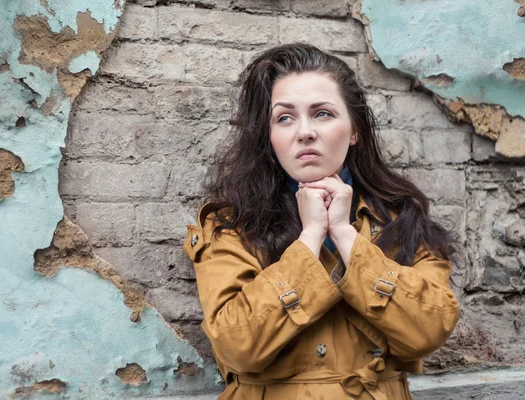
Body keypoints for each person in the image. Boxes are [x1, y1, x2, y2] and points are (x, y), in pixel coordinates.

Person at [182, 43, 460, 399]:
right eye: (285, 117)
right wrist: (311, 237)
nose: (305, 132)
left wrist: (344, 235)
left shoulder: (400, 218)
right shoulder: (231, 227)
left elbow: (430, 328)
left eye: (323, 114)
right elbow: (237, 345)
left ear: (355, 130)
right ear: (269, 138)